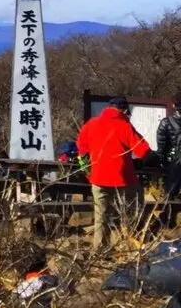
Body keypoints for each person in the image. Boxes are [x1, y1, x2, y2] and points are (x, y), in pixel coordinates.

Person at [76, 97, 151, 250]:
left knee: (101, 217)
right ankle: (129, 246)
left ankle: (99, 251)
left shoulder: (91, 124)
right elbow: (142, 150)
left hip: (97, 177)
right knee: (129, 214)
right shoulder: (125, 126)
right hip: (123, 178)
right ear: (124, 110)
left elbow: (81, 147)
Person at [157, 98, 181, 199]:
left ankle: (168, 211)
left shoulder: (166, 122)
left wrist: (162, 160)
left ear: (174, 107)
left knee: (170, 190)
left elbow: (161, 144)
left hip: (175, 160)